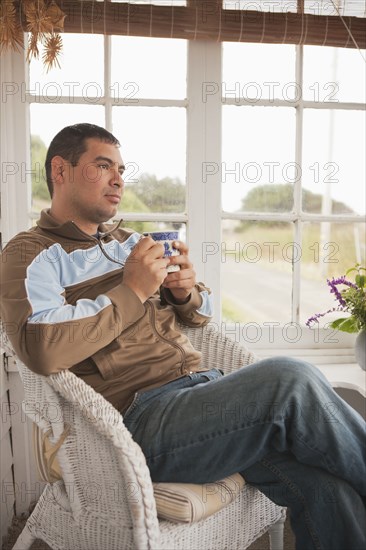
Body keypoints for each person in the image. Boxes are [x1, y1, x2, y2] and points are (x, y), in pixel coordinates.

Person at [0, 123, 365, 550]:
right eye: (102, 167)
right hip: (136, 425)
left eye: (121, 168)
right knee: (290, 379)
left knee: (325, 486)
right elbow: (41, 351)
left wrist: (185, 293)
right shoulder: (29, 252)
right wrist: (133, 289)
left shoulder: (129, 242)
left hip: (201, 398)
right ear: (60, 171)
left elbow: (200, 318)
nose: (118, 179)